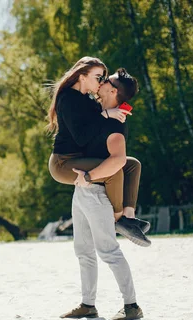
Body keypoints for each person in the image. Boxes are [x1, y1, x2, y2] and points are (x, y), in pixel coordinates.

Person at [59, 68, 144, 320]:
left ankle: (131, 306)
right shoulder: (101, 115)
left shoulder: (113, 124)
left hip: (97, 192)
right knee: (83, 250)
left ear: (113, 90)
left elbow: (118, 160)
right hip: (82, 191)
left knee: (108, 250)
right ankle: (88, 304)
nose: (103, 82)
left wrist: (89, 177)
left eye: (107, 81)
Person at [47, 57, 150, 246]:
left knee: (132, 164)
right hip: (63, 163)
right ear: (82, 76)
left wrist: (112, 111)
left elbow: (100, 120)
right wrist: (105, 114)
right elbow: (82, 137)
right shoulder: (68, 98)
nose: (101, 82)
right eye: (98, 77)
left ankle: (129, 216)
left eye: (104, 78)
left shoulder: (87, 100)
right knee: (114, 171)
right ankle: (120, 221)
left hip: (79, 158)